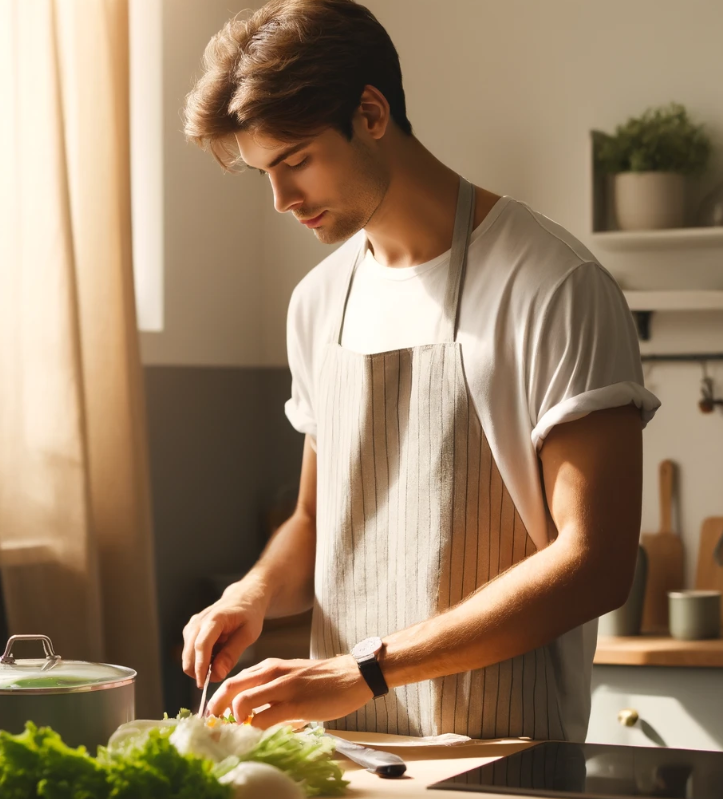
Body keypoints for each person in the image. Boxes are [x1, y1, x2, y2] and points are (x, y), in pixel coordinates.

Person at [180, 0, 660, 741]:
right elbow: (313, 518)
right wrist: (253, 590)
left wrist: (364, 668)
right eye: (261, 174)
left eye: (295, 160)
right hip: (350, 752)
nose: (280, 200)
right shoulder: (316, 303)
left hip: (508, 755)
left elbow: (593, 561)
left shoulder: (552, 285)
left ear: (371, 113)